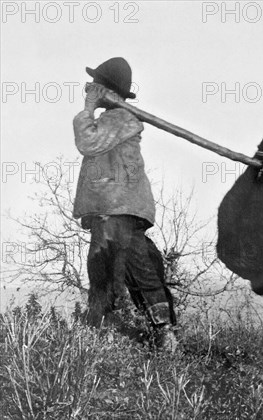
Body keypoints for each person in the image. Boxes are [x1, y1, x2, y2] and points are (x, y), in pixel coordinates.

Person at [72, 57, 177, 351]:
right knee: (121, 270)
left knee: (122, 271)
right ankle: (135, 334)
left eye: (96, 86)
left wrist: (89, 107)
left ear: (108, 90)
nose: (90, 90)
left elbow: (88, 143)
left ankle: (162, 336)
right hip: (112, 210)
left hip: (118, 210)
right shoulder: (114, 119)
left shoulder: (121, 119)